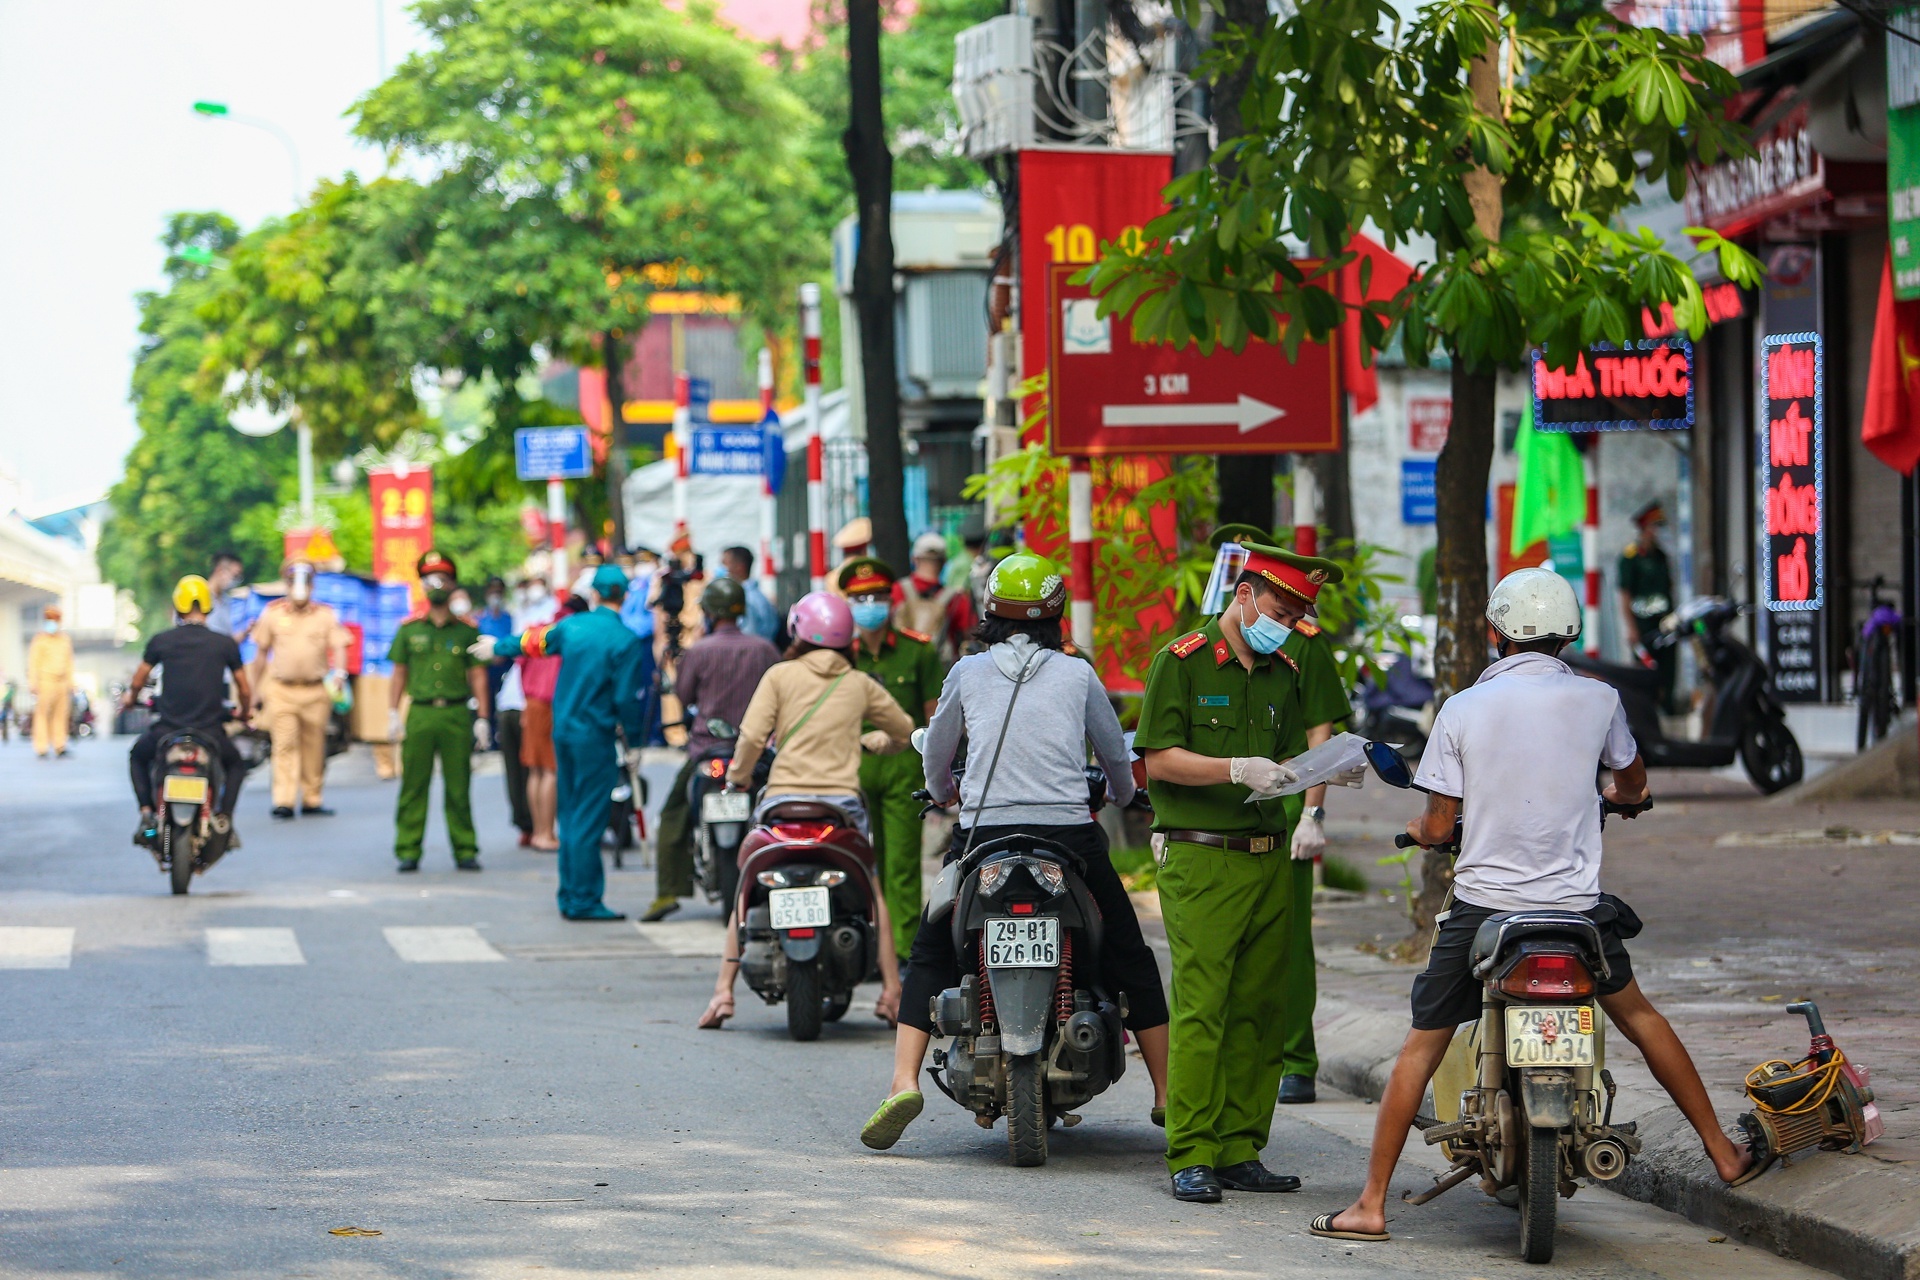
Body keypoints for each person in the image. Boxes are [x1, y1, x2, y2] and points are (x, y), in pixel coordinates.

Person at [1313, 567, 1752, 1244]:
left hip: (1485, 912)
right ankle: (1722, 1150)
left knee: (1419, 1048)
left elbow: (1437, 823)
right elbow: (1631, 780)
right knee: (1639, 1016)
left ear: (1494, 634)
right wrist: (1625, 797)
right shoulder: (1600, 699)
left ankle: (1370, 1205)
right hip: (1577, 913)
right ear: (1568, 635)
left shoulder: (1461, 708)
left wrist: (1427, 835)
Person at [859, 552, 1172, 1151]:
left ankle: (903, 1081)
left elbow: (938, 752)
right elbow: (1113, 756)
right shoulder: (1077, 674)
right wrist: (1125, 792)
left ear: (988, 612)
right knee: (1130, 953)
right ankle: (1166, 1094)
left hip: (981, 839)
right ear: (1056, 616)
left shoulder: (966, 672)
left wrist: (945, 792)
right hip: (1068, 838)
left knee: (930, 950)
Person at [1135, 537, 1352, 1204]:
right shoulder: (1183, 662)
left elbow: (1297, 753)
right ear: (1244, 595)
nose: (1284, 625)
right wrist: (1233, 769)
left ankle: (1238, 1145)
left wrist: (1324, 777)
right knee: (1205, 1005)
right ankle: (1191, 1151)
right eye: (1279, 611)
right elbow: (1158, 760)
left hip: (1267, 857)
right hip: (1203, 856)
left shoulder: (1285, 670)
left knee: (1260, 1006)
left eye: (1294, 617)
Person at [697, 591, 915, 1029]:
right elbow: (907, 731)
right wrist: (876, 742)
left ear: (798, 629)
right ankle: (892, 993)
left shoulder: (780, 676)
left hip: (781, 804)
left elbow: (753, 738)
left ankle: (723, 992)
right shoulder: (859, 684)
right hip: (840, 810)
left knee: (745, 884)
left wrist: (738, 778)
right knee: (872, 892)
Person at [1208, 525, 1357, 1109]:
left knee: (1290, 942)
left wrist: (1312, 813)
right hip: (1222, 804)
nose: (1282, 615)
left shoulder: (1304, 643)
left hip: (1287, 798)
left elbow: (1322, 727)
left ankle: (1296, 1058)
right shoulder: (1207, 639)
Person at [474, 565, 648, 920]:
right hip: (594, 737)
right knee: (588, 817)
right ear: (624, 595)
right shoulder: (625, 641)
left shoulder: (572, 627)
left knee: (569, 814)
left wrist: (496, 646)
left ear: (595, 594)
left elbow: (531, 642)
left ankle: (569, 894)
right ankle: (584, 899)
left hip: (563, 732)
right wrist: (634, 741)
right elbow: (628, 700)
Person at [642, 576, 781, 922]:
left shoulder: (699, 651)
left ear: (709, 612)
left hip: (706, 751)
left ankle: (667, 892)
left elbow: (684, 697)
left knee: (673, 816)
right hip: (755, 754)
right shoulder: (764, 649)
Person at [839, 556, 941, 959]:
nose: (870, 605)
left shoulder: (918, 652)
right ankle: (861, 952)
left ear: (891, 601)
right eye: (860, 598)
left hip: (903, 770)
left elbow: (935, 718)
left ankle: (902, 954)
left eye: (877, 596)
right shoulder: (842, 655)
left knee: (900, 867)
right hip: (852, 771)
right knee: (857, 865)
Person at [123, 576, 250, 852]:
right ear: (207, 607)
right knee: (236, 764)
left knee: (138, 755)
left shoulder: (161, 641)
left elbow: (139, 678)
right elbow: (244, 687)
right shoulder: (224, 644)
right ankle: (224, 819)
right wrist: (244, 713)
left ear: (177, 606)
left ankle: (146, 812)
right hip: (210, 732)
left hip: (168, 731)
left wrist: (131, 699)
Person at [389, 552, 491, 872]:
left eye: (443, 579)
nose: (437, 586)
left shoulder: (466, 631)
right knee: (413, 786)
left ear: (453, 584)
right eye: (430, 579)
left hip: (456, 713)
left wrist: (483, 719)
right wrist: (392, 712)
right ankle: (408, 848)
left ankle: (465, 849)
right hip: (420, 713)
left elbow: (478, 676)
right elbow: (399, 673)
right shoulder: (409, 630)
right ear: (421, 585)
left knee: (458, 786)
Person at [248, 558, 349, 819]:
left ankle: (312, 798)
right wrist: (253, 690)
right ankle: (284, 800)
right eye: (294, 581)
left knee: (314, 746)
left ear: (313, 585)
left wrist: (339, 673)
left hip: (316, 691)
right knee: (284, 744)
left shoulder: (325, 615)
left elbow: (338, 645)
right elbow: (261, 653)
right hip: (282, 690)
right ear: (288, 584)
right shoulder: (273, 613)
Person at [518, 586, 568, 853]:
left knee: (535, 769)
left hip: (530, 701)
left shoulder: (537, 632)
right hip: (549, 704)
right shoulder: (566, 635)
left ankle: (539, 830)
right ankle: (546, 832)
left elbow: (520, 662)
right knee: (549, 769)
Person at [1618, 499, 1677, 712]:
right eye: (1655, 526)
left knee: (1668, 671)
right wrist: (1631, 627)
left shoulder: (1661, 556)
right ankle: (1645, 712)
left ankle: (1667, 708)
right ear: (1644, 528)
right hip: (1643, 625)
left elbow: (1668, 589)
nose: (1658, 531)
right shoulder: (1630, 558)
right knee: (1644, 671)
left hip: (1665, 623)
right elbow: (1625, 594)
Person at [893, 532, 976, 663]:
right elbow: (971, 635)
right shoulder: (956, 599)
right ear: (944, 562)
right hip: (941, 672)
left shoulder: (897, 590)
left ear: (914, 559)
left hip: (902, 668)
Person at [27, 605, 74, 759]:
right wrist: (33, 682)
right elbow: (33, 662)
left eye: (54, 620)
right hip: (45, 681)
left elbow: (69, 662)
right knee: (42, 714)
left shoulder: (64, 639)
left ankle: (60, 745)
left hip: (62, 682)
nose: (51, 623)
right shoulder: (40, 640)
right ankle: (41, 747)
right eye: (49, 620)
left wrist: (71, 682)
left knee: (61, 714)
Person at [475, 577, 514, 743]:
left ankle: (502, 737)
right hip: (486, 668)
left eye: (498, 592)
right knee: (486, 701)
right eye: (492, 591)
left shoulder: (509, 618)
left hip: (506, 667)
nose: (495, 595)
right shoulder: (479, 617)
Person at [721, 545, 779, 643]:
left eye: (725, 563)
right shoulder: (756, 595)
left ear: (739, 567)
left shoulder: (746, 599)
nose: (721, 568)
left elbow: (747, 639)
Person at [204, 551, 245, 637]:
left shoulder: (228, 602)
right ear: (219, 571)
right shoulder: (199, 597)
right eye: (235, 576)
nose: (237, 581)